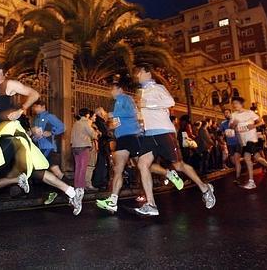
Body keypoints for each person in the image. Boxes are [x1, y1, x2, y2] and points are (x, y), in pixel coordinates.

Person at [0, 62, 83, 237]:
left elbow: (34, 93)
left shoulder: (9, 84)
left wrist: (22, 110)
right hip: (3, 135)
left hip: (12, 135)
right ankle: (72, 192)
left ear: (0, 72)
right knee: (36, 172)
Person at [133, 65, 215, 210]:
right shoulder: (141, 92)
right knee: (142, 164)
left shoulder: (157, 88)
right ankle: (151, 204)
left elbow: (170, 102)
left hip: (164, 132)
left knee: (179, 165)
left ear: (147, 72)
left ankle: (205, 188)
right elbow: (142, 112)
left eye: (138, 73)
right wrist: (140, 124)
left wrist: (149, 104)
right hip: (149, 134)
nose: (136, 76)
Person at [96, 77, 181, 215]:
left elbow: (132, 113)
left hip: (133, 136)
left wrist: (111, 114)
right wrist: (110, 122)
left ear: (120, 89)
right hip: (122, 138)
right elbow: (117, 121)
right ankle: (113, 201)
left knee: (141, 165)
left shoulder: (126, 99)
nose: (110, 92)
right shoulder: (117, 103)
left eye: (112, 89)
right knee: (118, 169)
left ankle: (168, 173)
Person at [229, 96, 267, 189]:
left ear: (241, 104)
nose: (234, 105)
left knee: (247, 158)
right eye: (233, 103)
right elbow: (231, 127)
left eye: (236, 103)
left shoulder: (249, 113)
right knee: (257, 158)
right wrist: (234, 124)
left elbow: (261, 122)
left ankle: (251, 181)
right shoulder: (233, 115)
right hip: (243, 140)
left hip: (251, 138)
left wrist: (254, 126)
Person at [31, 101, 66, 205]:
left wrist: (51, 132)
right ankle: (58, 191)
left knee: (54, 171)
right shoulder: (36, 119)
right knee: (49, 171)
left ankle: (71, 190)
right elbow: (35, 134)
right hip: (40, 148)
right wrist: (34, 136)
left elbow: (62, 127)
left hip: (49, 148)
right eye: (34, 107)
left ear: (43, 107)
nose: (35, 109)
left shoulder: (50, 116)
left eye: (37, 107)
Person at [71, 108, 98, 190]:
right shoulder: (85, 123)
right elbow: (93, 134)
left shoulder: (76, 123)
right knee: (83, 167)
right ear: (87, 115)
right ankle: (81, 186)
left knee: (78, 167)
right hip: (84, 147)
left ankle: (76, 185)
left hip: (75, 147)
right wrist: (97, 133)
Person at [221, 109, 242, 183]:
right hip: (230, 144)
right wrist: (222, 137)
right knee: (233, 161)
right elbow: (222, 133)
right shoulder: (223, 123)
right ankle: (240, 165)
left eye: (227, 113)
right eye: (224, 113)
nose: (226, 114)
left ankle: (238, 178)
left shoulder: (235, 121)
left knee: (236, 160)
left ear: (230, 113)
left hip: (237, 143)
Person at [92, 107, 111, 190]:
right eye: (104, 112)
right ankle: (100, 182)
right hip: (102, 146)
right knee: (102, 164)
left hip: (100, 146)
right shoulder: (100, 122)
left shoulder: (98, 122)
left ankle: (100, 181)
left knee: (101, 164)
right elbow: (104, 133)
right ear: (101, 113)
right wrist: (109, 134)